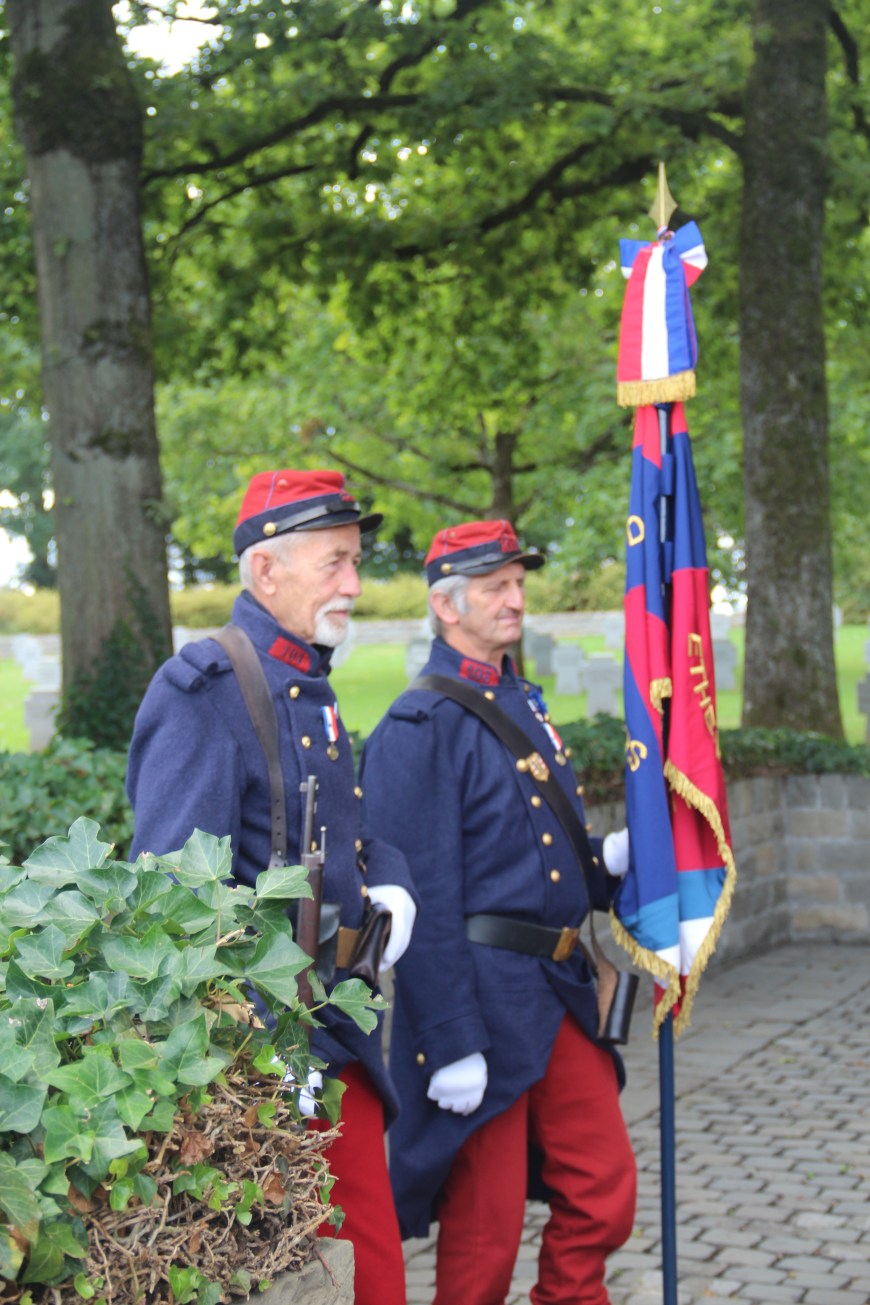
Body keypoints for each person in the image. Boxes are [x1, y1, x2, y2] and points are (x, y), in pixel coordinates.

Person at [127, 469, 417, 1305]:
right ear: (266, 572)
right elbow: (172, 904)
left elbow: (345, 834)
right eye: (334, 563)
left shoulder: (310, 685)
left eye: (355, 561)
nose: (354, 584)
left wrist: (390, 887)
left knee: (375, 1275)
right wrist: (257, 1065)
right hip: (270, 1066)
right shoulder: (206, 692)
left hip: (334, 1037)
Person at [360, 519, 637, 1305]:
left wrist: (603, 864)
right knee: (485, 1228)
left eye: (518, 584)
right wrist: (450, 1042)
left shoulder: (516, 695)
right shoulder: (419, 727)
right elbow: (424, 899)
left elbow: (536, 847)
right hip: (478, 1004)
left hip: (554, 990)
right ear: (448, 607)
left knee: (603, 1187)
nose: (516, 599)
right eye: (495, 588)